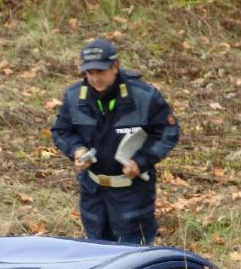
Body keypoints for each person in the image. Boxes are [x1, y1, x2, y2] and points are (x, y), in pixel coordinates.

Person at [51, 38, 179, 244]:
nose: (95, 79)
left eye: (100, 72)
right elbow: (62, 131)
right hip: (93, 192)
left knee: (133, 257)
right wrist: (76, 150)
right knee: (97, 252)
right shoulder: (75, 97)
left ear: (115, 66)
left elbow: (167, 131)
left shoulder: (144, 97)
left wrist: (141, 161)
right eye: (89, 73)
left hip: (133, 193)